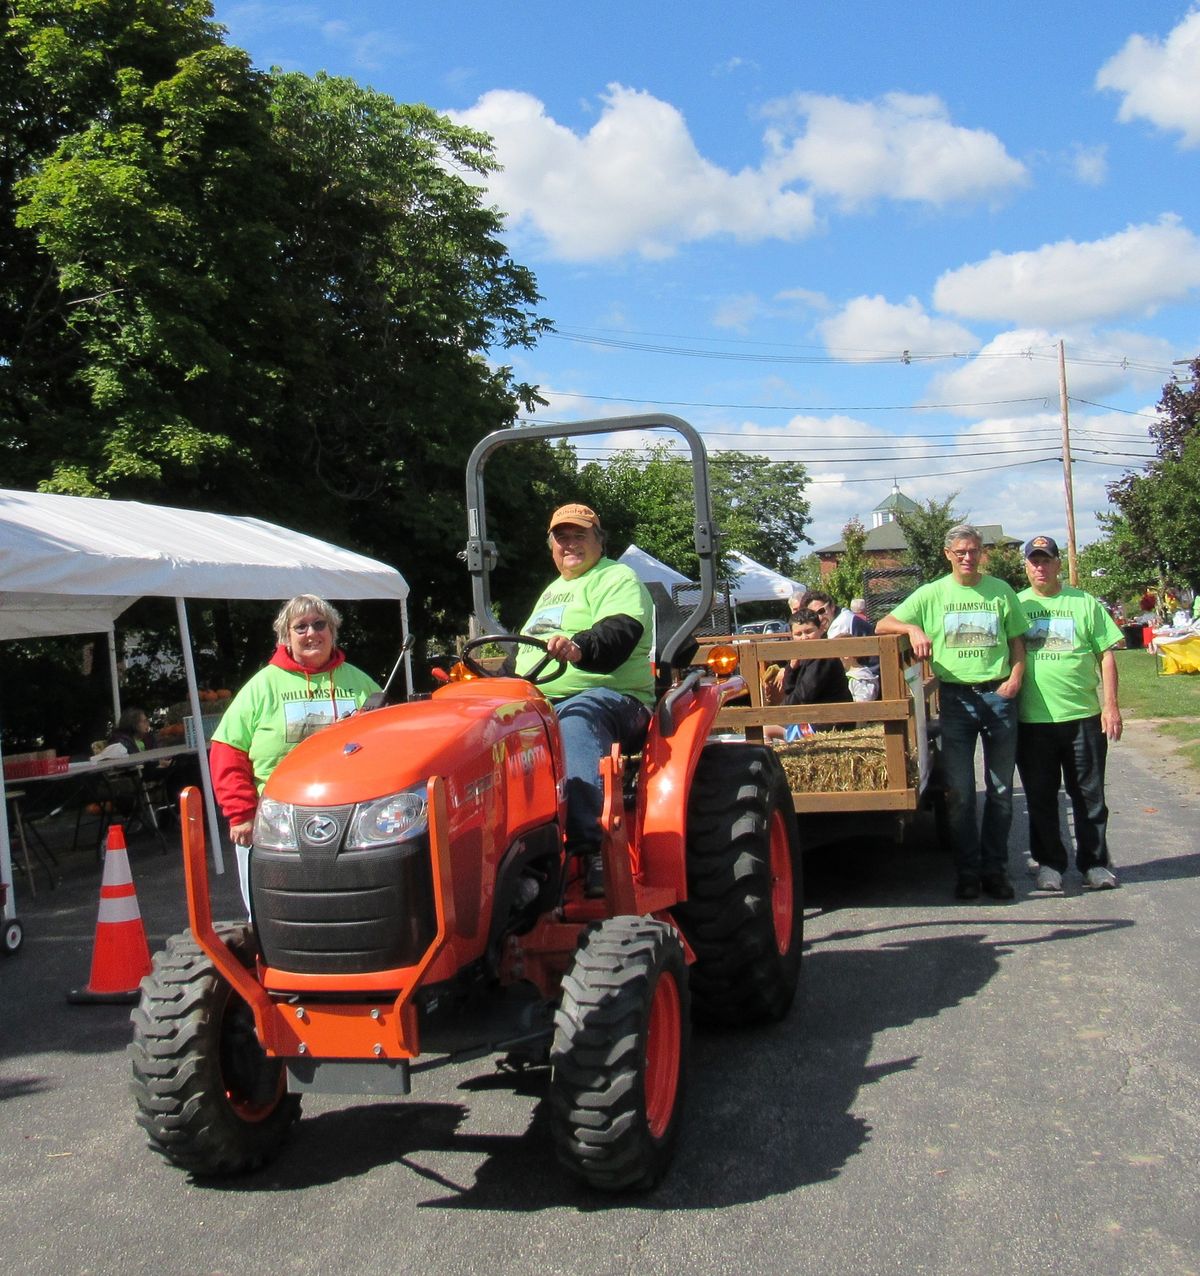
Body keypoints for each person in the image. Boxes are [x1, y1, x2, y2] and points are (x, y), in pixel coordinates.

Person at [876, 524, 1027, 901]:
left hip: (998, 695)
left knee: (1002, 790)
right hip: (956, 700)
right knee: (959, 792)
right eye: (960, 551)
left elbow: (1018, 642)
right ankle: (968, 872)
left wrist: (1015, 679)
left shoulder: (1000, 591)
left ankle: (995, 870)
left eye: (973, 550)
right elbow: (882, 623)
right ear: (948, 555)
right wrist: (912, 629)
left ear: (982, 553)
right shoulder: (932, 594)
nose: (967, 557)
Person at [516, 503, 655, 897]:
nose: (570, 544)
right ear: (551, 546)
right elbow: (524, 652)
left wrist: (580, 647)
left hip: (614, 701)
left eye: (580, 535)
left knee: (575, 718)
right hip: (542, 701)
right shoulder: (551, 592)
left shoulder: (616, 577)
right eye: (562, 537)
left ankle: (590, 846)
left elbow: (621, 631)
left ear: (599, 541)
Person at [210, 595, 381, 911]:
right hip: (274, 823)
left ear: (333, 631)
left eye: (320, 624)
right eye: (300, 627)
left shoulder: (361, 684)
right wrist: (241, 815)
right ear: (285, 636)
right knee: (276, 913)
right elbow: (227, 751)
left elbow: (388, 744)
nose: (311, 633)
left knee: (351, 907)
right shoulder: (261, 687)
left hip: (353, 820)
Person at [1016, 535, 1123, 892]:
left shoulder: (1084, 603)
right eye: (1034, 561)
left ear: (1059, 564)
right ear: (1026, 566)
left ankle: (1094, 864)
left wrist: (1110, 706)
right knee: (1041, 796)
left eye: (1046, 560)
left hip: (1082, 716)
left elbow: (1106, 654)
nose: (1040, 567)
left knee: (1089, 795)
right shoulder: (1016, 605)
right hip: (1033, 720)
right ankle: (1049, 865)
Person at [764, 609, 852, 741]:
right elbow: (788, 689)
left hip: (828, 724)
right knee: (766, 727)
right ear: (791, 636)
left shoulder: (823, 657)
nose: (804, 637)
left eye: (809, 631)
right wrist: (792, 669)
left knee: (763, 731)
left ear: (821, 629)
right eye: (798, 634)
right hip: (813, 718)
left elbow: (804, 695)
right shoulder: (803, 657)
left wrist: (779, 714)